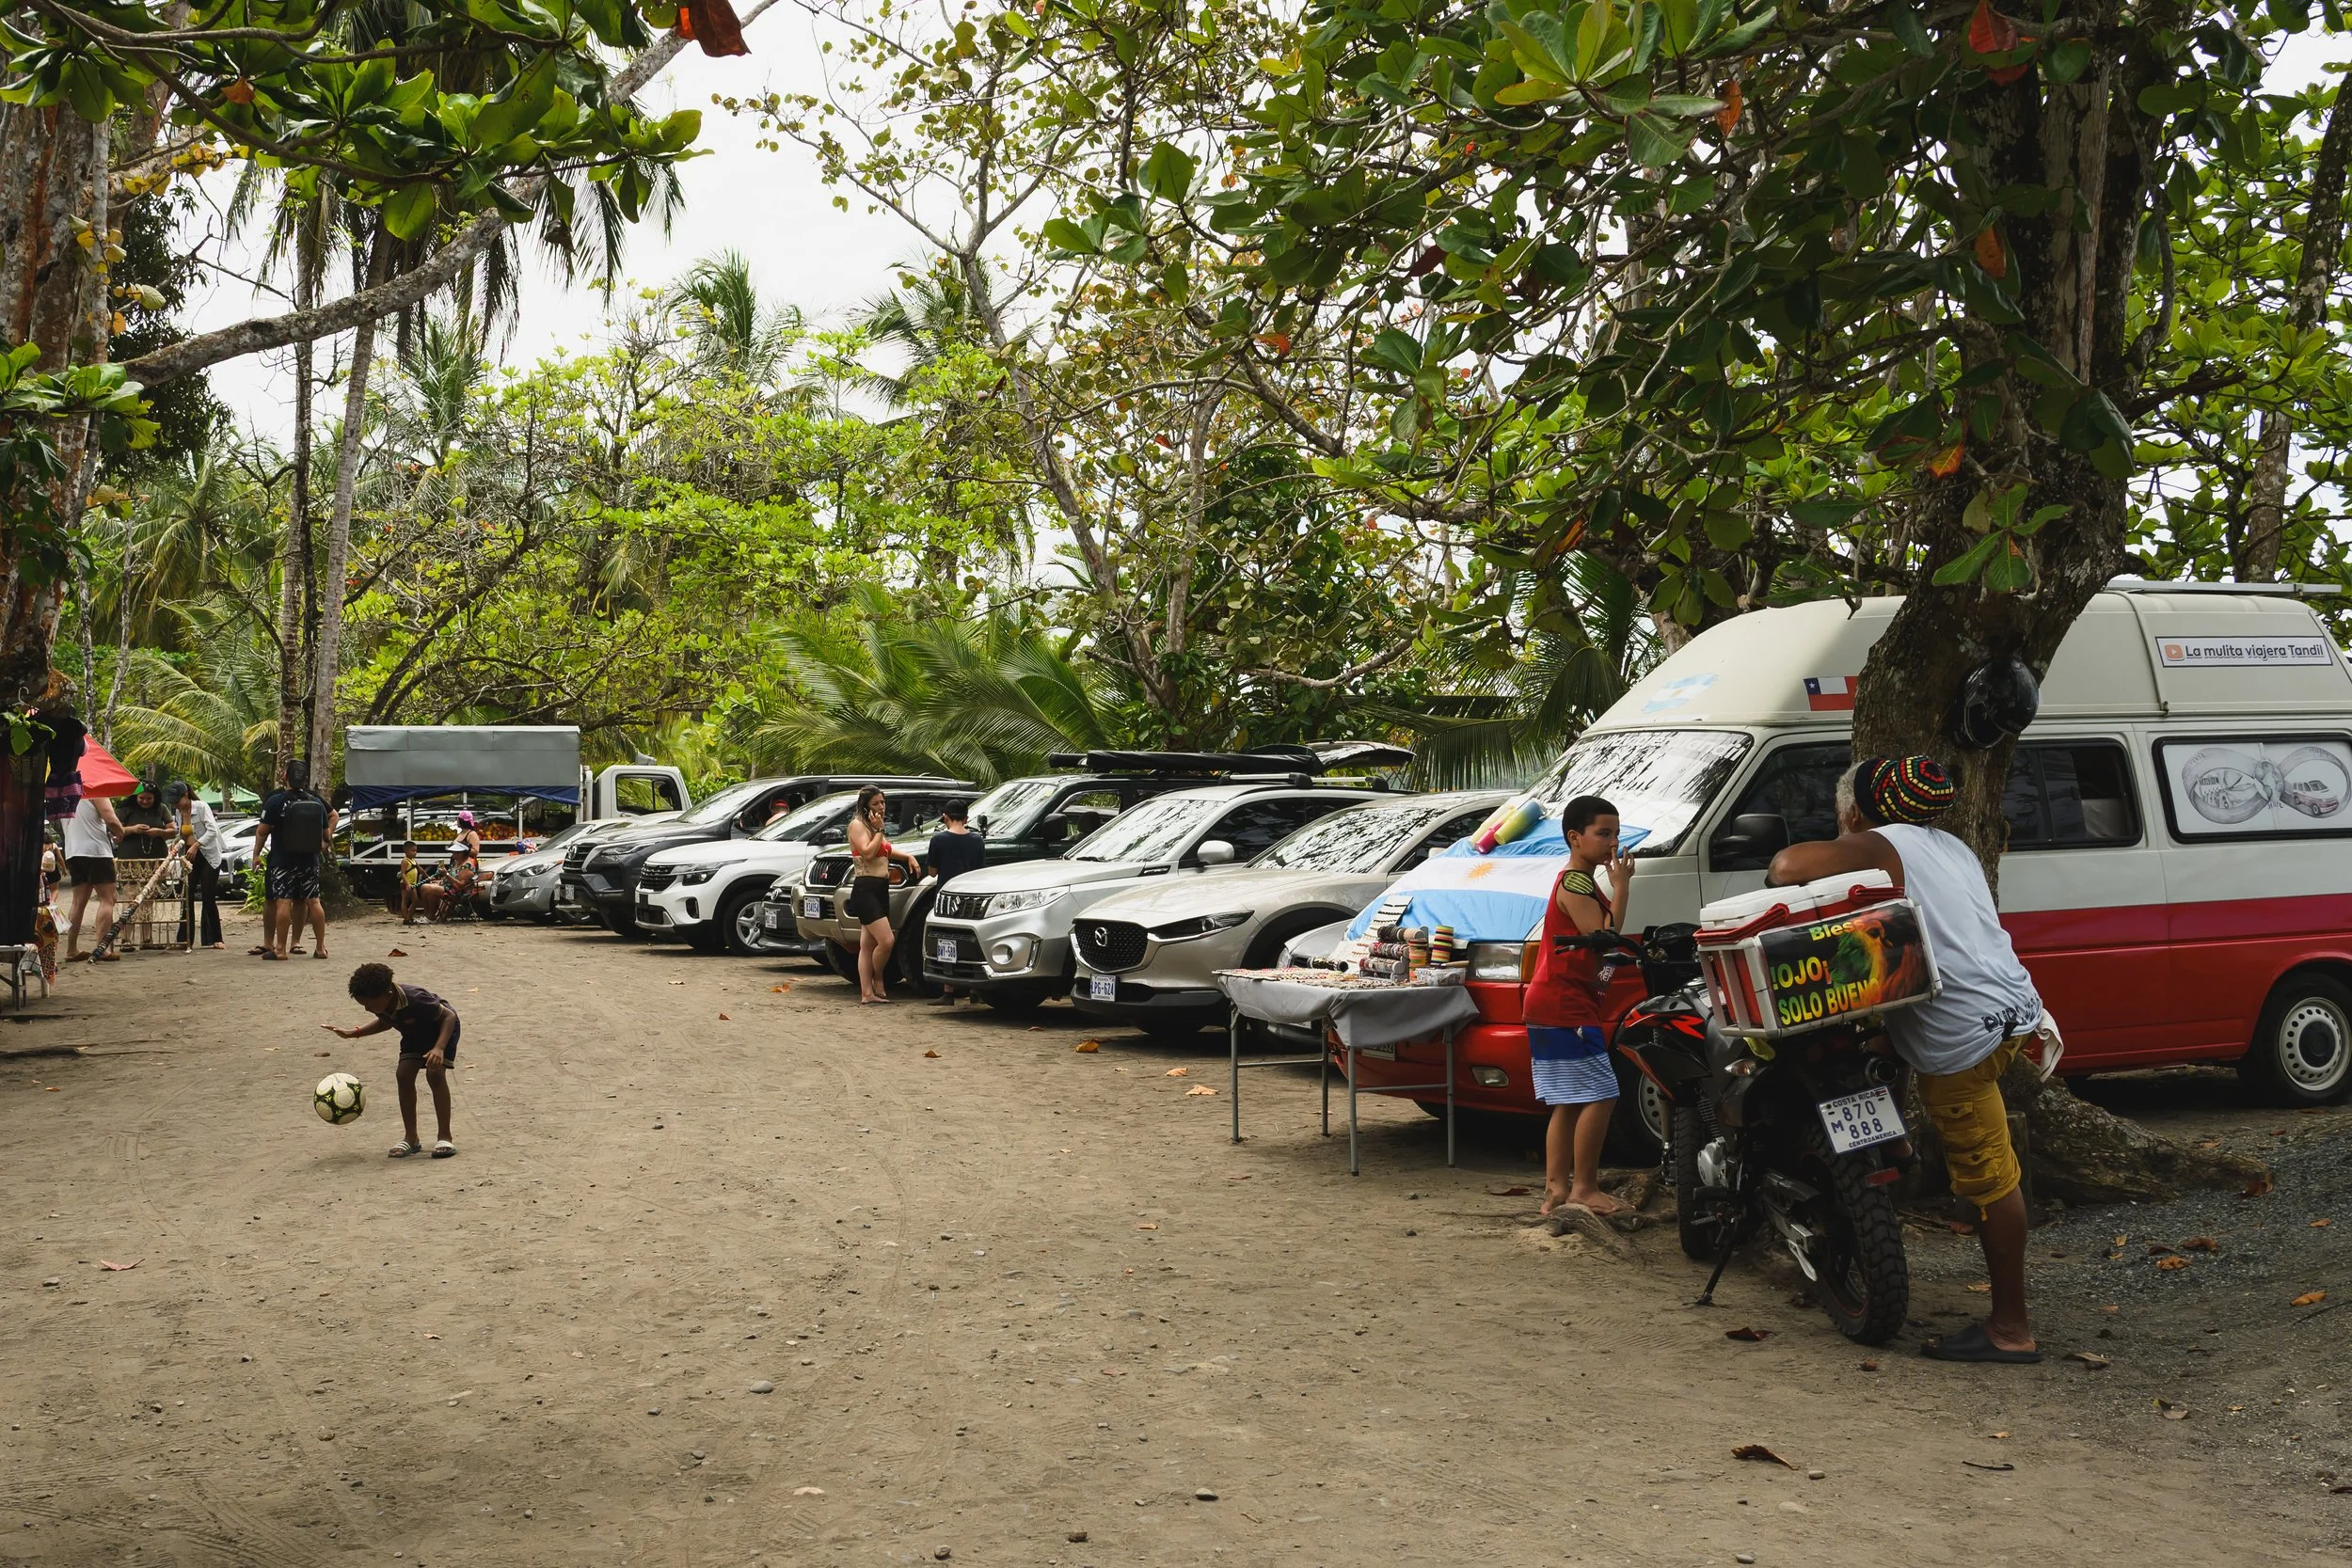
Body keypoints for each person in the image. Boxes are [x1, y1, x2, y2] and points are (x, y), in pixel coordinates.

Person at [1767, 753, 2046, 1366]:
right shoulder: (1951, 848)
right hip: (2012, 1012)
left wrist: (1849, 844)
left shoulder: (1879, 843)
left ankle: (2010, 1328)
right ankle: (1895, 1147)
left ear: (1854, 811)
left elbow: (1786, 866)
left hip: (1963, 1041)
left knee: (1990, 1181)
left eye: (1845, 817)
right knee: (1890, 1041)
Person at [1523, 795, 1636, 1217]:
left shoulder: (1573, 880)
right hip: (1565, 1003)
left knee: (1568, 1100)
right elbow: (1606, 935)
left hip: (1552, 1001)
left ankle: (1556, 1190)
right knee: (1603, 1093)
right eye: (1604, 834)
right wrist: (1622, 885)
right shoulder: (1575, 881)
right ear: (1575, 837)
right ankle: (1584, 1188)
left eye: (1616, 834)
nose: (1613, 844)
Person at [325, 961, 459, 1159]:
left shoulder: (415, 999)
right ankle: (411, 1138)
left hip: (441, 1031)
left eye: (369, 1005)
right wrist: (355, 1033)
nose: (367, 1009)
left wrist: (439, 1048)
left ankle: (445, 1136)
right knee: (403, 1075)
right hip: (413, 1033)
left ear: (387, 994)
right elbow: (385, 1023)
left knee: (435, 1075)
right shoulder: (382, 1001)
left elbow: (449, 1016)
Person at [253, 759, 337, 961]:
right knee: (314, 902)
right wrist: (322, 846)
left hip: (283, 860)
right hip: (310, 860)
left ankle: (280, 949)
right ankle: (320, 948)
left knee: (283, 901)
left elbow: (262, 831)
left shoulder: (276, 801)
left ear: (284, 776)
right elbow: (327, 836)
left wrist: (256, 855)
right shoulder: (316, 803)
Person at [845, 784, 917, 1005]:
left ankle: (867, 994)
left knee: (867, 946)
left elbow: (885, 849)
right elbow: (867, 852)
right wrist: (879, 830)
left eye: (883, 802)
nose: (881, 807)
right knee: (886, 941)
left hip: (880, 889)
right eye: (876, 803)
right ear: (865, 805)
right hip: (865, 889)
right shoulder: (858, 826)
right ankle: (878, 979)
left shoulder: (874, 825)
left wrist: (907, 857)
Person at [924, 799, 987, 1004]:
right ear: (966, 818)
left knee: (947, 941)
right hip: (972, 898)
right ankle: (975, 990)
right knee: (971, 940)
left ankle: (948, 990)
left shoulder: (939, 840)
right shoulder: (977, 840)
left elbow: (932, 872)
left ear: (945, 817)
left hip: (946, 898)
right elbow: (980, 871)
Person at [61, 791, 124, 961]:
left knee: (78, 902)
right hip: (96, 851)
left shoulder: (63, 794)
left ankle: (71, 949)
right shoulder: (96, 791)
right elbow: (110, 818)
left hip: (73, 851)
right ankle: (102, 948)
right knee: (107, 899)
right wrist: (121, 833)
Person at [167, 783, 227, 949]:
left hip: (208, 854)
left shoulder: (201, 807)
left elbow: (212, 831)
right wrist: (176, 843)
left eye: (177, 801)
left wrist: (196, 845)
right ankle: (185, 939)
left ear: (186, 795)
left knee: (208, 896)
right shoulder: (178, 812)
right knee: (187, 896)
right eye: (173, 803)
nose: (175, 805)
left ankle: (216, 938)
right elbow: (182, 834)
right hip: (191, 856)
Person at [116, 784, 175, 861]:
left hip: (157, 857)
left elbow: (173, 832)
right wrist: (133, 829)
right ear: (136, 796)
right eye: (141, 798)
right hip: (129, 858)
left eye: (149, 799)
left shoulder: (161, 808)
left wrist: (160, 832)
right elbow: (115, 831)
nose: (145, 801)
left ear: (155, 798)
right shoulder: (125, 809)